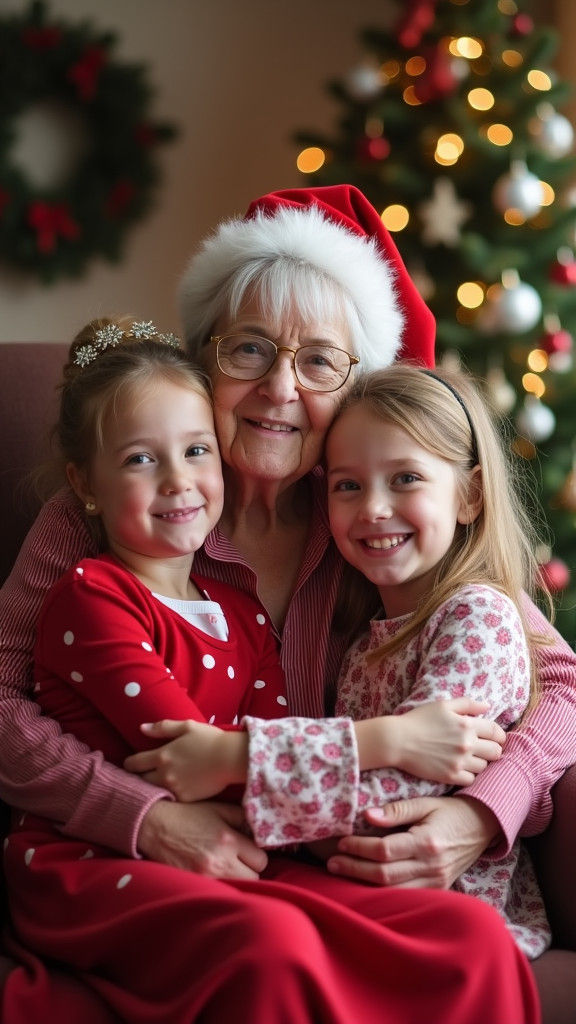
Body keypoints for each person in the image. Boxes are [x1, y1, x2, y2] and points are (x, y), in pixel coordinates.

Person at [0, 183, 574, 1010]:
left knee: (460, 946)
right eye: (249, 351)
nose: (280, 388)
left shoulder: (371, 519)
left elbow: (560, 682)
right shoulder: (118, 501)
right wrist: (141, 815)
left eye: (319, 362)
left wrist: (484, 814)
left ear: (357, 387)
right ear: (204, 359)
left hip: (299, 862)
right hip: (146, 859)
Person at [135, 363, 551, 962]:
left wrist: (232, 766)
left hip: (445, 918)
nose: (374, 509)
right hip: (355, 897)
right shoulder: (363, 641)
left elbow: (381, 811)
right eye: (348, 486)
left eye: (405, 478)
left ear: (470, 495)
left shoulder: (478, 621)